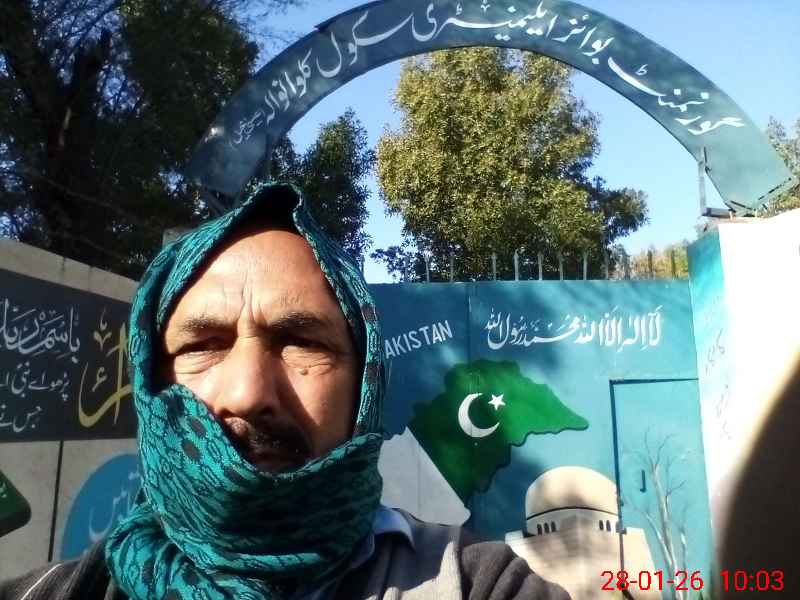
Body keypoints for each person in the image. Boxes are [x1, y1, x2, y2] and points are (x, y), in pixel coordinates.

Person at [0, 184, 570, 600]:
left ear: (365, 388)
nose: (249, 394)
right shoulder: (50, 592)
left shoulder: (481, 585)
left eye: (302, 342)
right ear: (153, 383)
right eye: (202, 345)